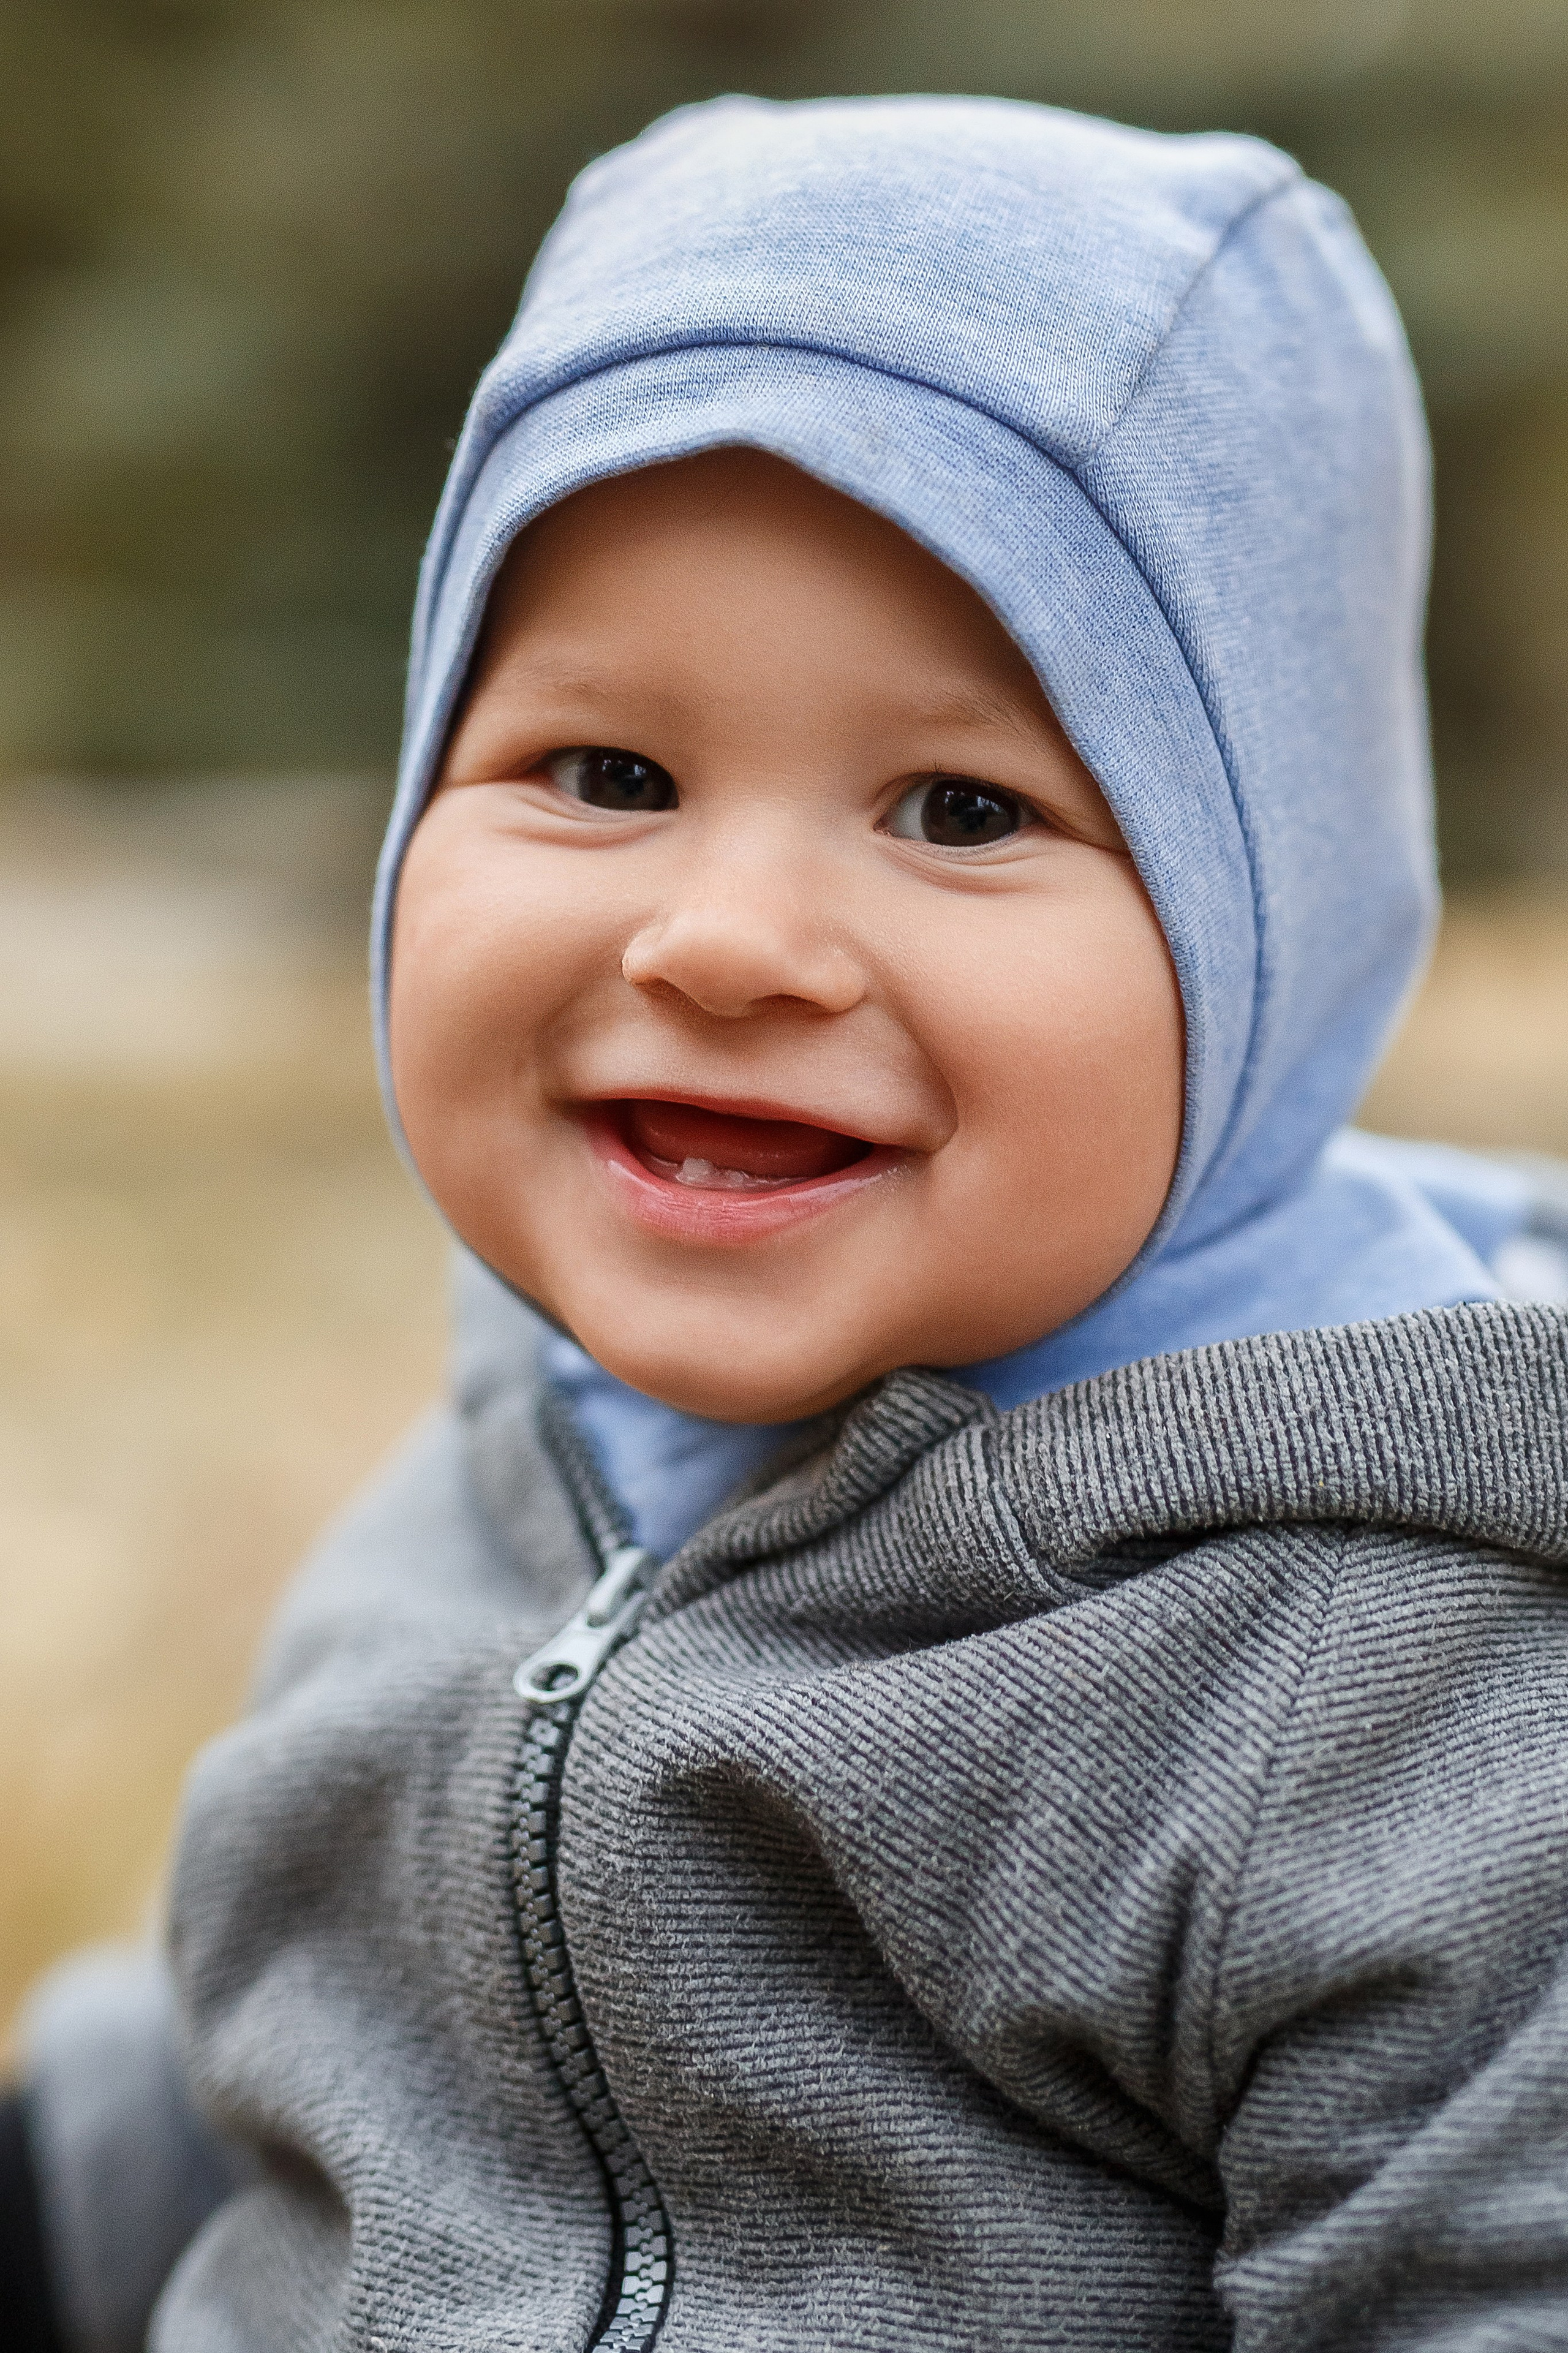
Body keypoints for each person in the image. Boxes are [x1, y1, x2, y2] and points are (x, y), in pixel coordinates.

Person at [8, 93, 1568, 2353]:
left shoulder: (1397, 1692)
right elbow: (301, 2038)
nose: (729, 941)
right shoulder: (519, 1456)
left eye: (959, 809)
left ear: (1265, 937)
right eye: (606, 775)